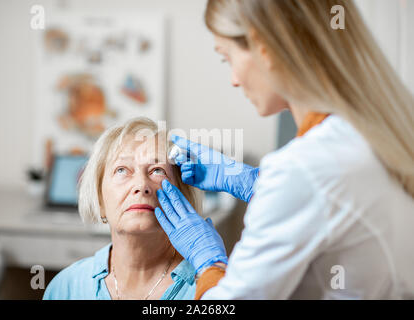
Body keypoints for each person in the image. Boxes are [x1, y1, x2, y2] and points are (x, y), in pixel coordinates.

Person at [154, 0, 414, 299]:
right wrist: (253, 182)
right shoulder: (371, 132)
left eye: (227, 58)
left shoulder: (305, 168)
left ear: (264, 47)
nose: (234, 80)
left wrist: (208, 262)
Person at [43, 117, 202, 300]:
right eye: (121, 170)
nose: (141, 185)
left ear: (181, 196)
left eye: (157, 170)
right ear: (100, 200)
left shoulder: (208, 289)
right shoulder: (66, 288)